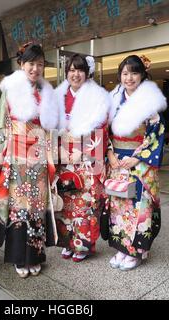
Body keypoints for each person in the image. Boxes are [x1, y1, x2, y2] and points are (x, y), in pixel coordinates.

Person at [0, 43, 59, 278]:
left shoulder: (46, 93)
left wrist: (51, 156)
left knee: (37, 208)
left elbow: (49, 130)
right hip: (17, 156)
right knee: (19, 208)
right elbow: (2, 124)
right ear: (21, 65)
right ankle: (20, 257)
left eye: (40, 64)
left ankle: (35, 255)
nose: (35, 68)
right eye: (31, 63)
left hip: (39, 157)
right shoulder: (10, 90)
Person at [107, 55, 166, 270]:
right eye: (125, 73)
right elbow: (104, 132)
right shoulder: (112, 101)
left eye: (134, 73)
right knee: (118, 205)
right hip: (117, 162)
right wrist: (111, 154)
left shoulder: (150, 104)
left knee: (139, 206)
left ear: (142, 75)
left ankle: (136, 252)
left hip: (139, 162)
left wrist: (137, 158)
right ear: (120, 76)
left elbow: (155, 135)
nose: (129, 78)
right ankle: (121, 248)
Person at [54, 54, 110, 262]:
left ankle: (84, 245)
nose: (75, 74)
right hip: (64, 157)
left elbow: (102, 128)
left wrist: (84, 151)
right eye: (71, 70)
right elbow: (50, 127)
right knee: (66, 201)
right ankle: (68, 242)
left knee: (85, 204)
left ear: (87, 74)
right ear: (66, 72)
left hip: (87, 159)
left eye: (79, 70)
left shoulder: (97, 97)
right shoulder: (58, 97)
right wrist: (58, 151)